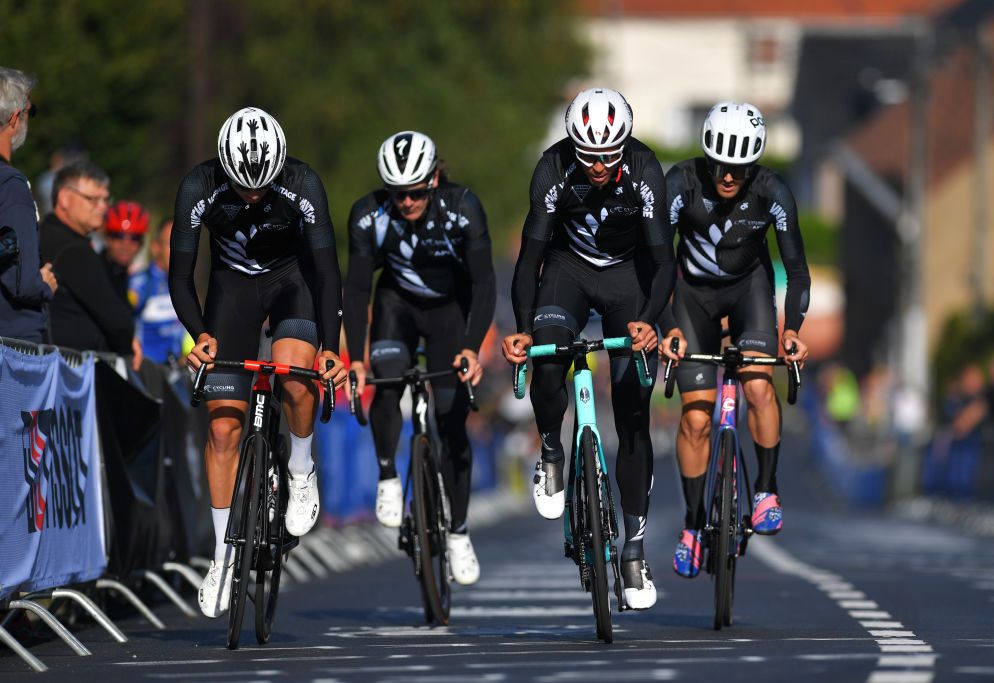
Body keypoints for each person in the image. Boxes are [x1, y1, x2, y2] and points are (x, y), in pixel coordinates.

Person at [501, 88, 675, 610]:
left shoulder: (645, 170)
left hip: (628, 279)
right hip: (567, 273)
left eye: (607, 155)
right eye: (587, 155)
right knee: (549, 356)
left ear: (624, 146)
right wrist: (522, 329)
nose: (597, 166)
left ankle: (634, 550)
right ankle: (552, 450)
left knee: (633, 409)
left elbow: (664, 261)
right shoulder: (552, 169)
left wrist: (649, 323)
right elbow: (530, 258)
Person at [169, 107, 344, 618]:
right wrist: (198, 334)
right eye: (242, 189)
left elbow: (329, 274)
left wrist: (330, 346)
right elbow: (181, 277)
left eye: (261, 188)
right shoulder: (197, 186)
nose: (252, 198)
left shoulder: (302, 182)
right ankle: (223, 556)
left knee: (293, 375)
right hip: (232, 289)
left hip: (292, 283)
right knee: (223, 428)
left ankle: (301, 466)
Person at [656, 102, 810, 579]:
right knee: (696, 419)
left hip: (750, 293)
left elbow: (797, 270)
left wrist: (792, 331)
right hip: (691, 298)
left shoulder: (772, 192)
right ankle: (693, 524)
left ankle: (765, 489)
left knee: (760, 387)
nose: (728, 176)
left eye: (739, 168)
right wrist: (667, 326)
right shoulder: (679, 184)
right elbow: (655, 261)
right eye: (721, 166)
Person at [344, 131, 495, 586]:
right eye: (397, 193)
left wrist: (472, 345)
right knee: (386, 377)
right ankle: (388, 474)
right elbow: (354, 289)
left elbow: (485, 284)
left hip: (450, 312)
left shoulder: (462, 207)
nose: (406, 202)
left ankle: (459, 532)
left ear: (433, 179)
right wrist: (355, 356)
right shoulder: (369, 216)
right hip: (397, 307)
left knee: (453, 422)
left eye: (414, 192)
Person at [39, 160, 134, 354]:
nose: (102, 207)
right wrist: (128, 344)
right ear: (65, 198)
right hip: (70, 373)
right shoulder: (74, 249)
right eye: (93, 199)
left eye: (105, 200)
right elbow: (118, 323)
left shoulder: (41, 234)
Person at [0, 66, 57, 342]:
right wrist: (44, 285)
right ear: (13, 119)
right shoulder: (11, 186)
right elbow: (22, 281)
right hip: (13, 347)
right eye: (29, 113)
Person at [129, 218, 191, 364]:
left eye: (183, 244)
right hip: (146, 371)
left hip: (176, 371)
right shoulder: (141, 282)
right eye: (172, 244)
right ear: (156, 247)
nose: (179, 251)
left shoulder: (185, 282)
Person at [102, 200, 148, 300]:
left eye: (134, 238)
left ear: (141, 243)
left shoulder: (144, 276)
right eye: (119, 236)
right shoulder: (95, 271)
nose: (126, 245)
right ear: (107, 238)